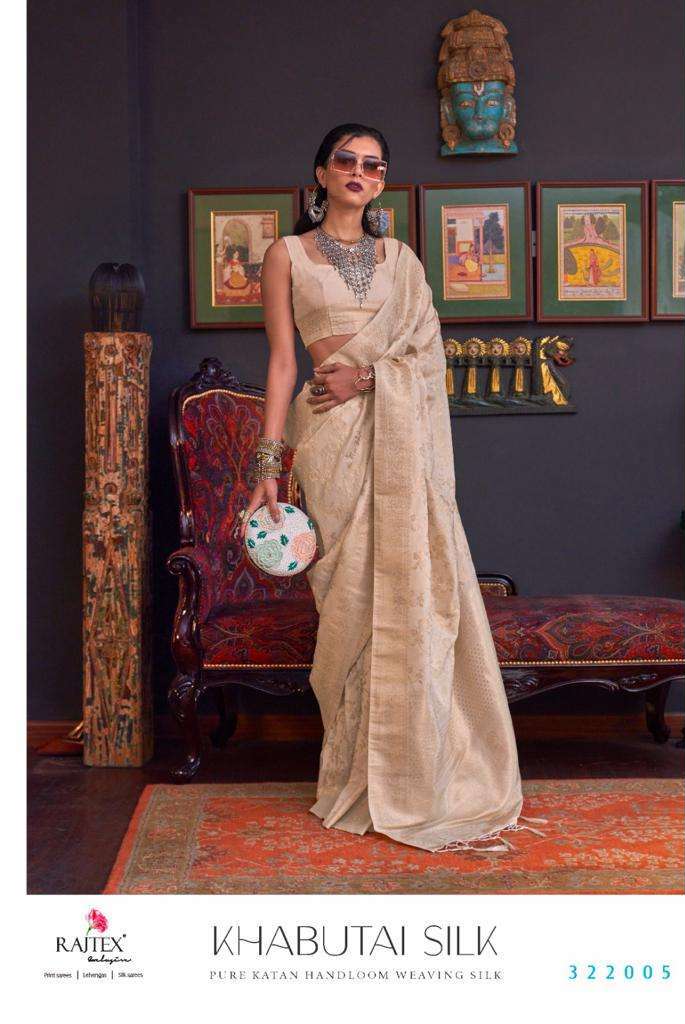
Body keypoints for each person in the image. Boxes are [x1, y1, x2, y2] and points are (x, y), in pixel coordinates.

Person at [238, 122, 547, 853]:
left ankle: (413, 777)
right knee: (351, 601)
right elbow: (282, 363)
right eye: (345, 160)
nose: (359, 172)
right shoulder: (286, 256)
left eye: (373, 165)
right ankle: (357, 774)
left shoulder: (401, 260)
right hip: (331, 440)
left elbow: (429, 359)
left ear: (382, 181)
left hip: (398, 436)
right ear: (321, 173)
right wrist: (268, 464)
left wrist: (370, 376)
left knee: (410, 596)